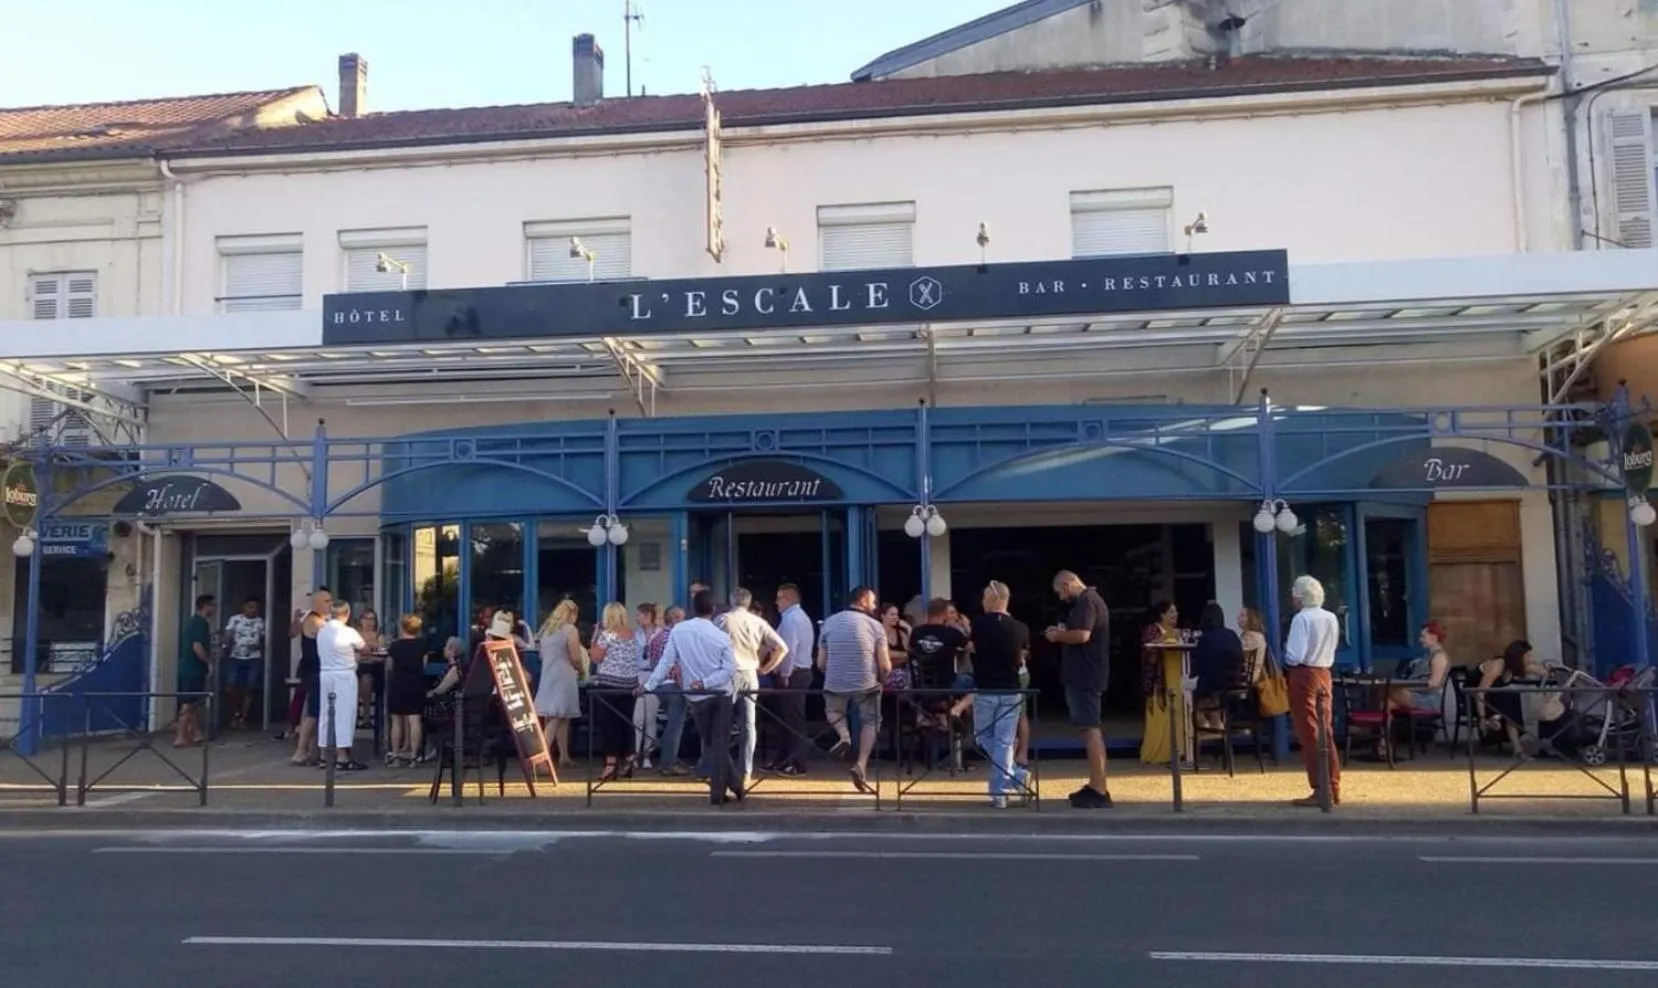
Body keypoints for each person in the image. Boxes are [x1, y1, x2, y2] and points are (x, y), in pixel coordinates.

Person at [642, 589, 743, 805]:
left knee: (713, 742)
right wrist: (707, 681)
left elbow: (666, 662)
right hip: (721, 692)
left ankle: (728, 787)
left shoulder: (679, 631)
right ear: (713, 609)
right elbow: (729, 669)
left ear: (692, 609)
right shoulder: (721, 636)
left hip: (696, 696)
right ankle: (729, 786)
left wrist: (649, 685)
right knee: (719, 743)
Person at [1046, 571, 1113, 808]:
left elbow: (1083, 635)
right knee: (1088, 729)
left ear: (1068, 584)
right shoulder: (1090, 602)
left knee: (1090, 728)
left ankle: (1099, 788)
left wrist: (1057, 636)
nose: (1062, 598)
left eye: (1061, 592)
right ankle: (1096, 783)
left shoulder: (1087, 601)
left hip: (1085, 675)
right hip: (1085, 674)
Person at [817, 586, 891, 795]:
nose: (875, 606)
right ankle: (861, 764)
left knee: (834, 711)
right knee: (871, 720)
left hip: (835, 681)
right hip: (866, 682)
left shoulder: (829, 622)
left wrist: (831, 673)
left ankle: (844, 736)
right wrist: (881, 681)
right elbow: (885, 665)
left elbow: (821, 662)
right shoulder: (875, 626)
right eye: (873, 602)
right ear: (864, 600)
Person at [714, 588, 788, 783]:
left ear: (731, 601)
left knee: (722, 724)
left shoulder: (722, 620)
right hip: (750, 673)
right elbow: (782, 647)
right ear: (749, 602)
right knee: (749, 724)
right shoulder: (758, 621)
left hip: (727, 673)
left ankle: (722, 770)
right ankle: (745, 770)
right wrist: (766, 669)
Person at [970, 581, 1031, 808]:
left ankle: (1000, 791)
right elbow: (1021, 656)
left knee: (982, 737)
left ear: (993, 599)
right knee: (1004, 742)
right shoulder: (1021, 628)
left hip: (985, 687)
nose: (982, 602)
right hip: (1011, 688)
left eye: (985, 598)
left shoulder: (977, 624)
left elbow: (972, 648)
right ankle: (1015, 778)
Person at [1284, 574, 1342, 807]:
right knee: (1324, 730)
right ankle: (1333, 783)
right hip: (1324, 673)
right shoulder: (1331, 617)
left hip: (1304, 673)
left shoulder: (1302, 619)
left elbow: (1294, 655)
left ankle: (1321, 787)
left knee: (1309, 731)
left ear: (1300, 597)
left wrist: (1286, 658)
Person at [589, 602, 643, 781]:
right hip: (629, 685)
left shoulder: (607, 635)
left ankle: (610, 764)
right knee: (626, 722)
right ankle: (628, 758)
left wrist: (594, 638)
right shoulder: (633, 635)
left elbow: (596, 658)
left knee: (609, 725)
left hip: (609, 684)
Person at [765, 584, 816, 776]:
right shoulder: (795, 618)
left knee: (793, 720)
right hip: (799, 672)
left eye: (779, 598)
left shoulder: (791, 619)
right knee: (786, 719)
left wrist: (785, 673)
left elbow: (789, 649)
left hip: (795, 674)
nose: (776, 602)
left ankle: (798, 763)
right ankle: (782, 759)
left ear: (788, 599)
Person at [316, 600, 368, 771]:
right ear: (347, 614)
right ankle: (342, 756)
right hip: (344, 674)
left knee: (325, 713)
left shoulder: (322, 631)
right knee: (344, 713)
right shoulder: (348, 632)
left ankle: (324, 755)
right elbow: (364, 648)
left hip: (325, 673)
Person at [1474, 638, 1549, 757]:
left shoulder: (1516, 666)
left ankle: (1498, 722)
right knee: (1509, 697)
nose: (1530, 659)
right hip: (1475, 696)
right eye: (1527, 656)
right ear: (1518, 656)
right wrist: (1481, 717)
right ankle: (1493, 723)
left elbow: (1543, 671)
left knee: (1511, 696)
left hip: (1498, 697)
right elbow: (1479, 692)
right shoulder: (1498, 665)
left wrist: (1551, 672)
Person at [534, 599, 585, 769]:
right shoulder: (570, 630)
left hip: (548, 674)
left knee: (559, 716)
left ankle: (564, 755)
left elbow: (541, 656)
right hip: (565, 675)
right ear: (573, 614)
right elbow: (576, 656)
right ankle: (541, 757)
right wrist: (582, 671)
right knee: (557, 716)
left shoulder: (547, 631)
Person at [1138, 601, 1186, 765]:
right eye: (1171, 612)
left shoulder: (1178, 632)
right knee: (1161, 716)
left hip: (1175, 676)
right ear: (1162, 615)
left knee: (1177, 714)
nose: (1175, 615)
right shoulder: (1153, 629)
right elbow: (1148, 649)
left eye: (1176, 612)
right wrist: (1167, 637)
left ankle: (1177, 750)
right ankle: (1158, 753)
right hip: (1159, 681)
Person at [289, 588, 331, 766]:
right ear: (316, 604)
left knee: (318, 711)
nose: (330, 604)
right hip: (314, 671)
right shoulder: (314, 620)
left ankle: (313, 750)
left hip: (317, 670)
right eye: (326, 601)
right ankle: (301, 750)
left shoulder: (321, 620)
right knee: (315, 711)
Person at [647, 606, 690, 775]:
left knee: (671, 723)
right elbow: (674, 662)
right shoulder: (673, 636)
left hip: (659, 685)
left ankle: (666, 757)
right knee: (675, 724)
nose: (684, 621)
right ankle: (669, 763)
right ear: (674, 619)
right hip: (673, 684)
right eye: (681, 618)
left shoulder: (656, 637)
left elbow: (652, 663)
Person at [1190, 603, 1244, 731]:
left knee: (1185, 691)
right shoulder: (1232, 635)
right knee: (1211, 695)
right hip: (1232, 682)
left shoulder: (1204, 639)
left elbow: (1198, 667)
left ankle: (1203, 723)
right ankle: (1217, 723)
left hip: (1211, 684)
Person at [385, 613, 428, 766]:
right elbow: (424, 665)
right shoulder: (422, 645)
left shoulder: (395, 646)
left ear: (401, 627)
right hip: (416, 683)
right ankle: (414, 757)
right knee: (415, 720)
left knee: (396, 721)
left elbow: (389, 666)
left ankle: (395, 756)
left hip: (398, 684)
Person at [175, 594, 216, 748]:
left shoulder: (192, 622)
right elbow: (197, 646)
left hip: (187, 668)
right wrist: (209, 662)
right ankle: (181, 737)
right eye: (213, 605)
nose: (214, 609)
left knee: (192, 702)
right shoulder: (200, 623)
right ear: (205, 606)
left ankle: (197, 734)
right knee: (188, 703)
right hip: (193, 669)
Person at [222, 596, 264, 731]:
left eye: (255, 608)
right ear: (244, 607)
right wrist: (225, 646)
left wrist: (259, 646)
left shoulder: (260, 622)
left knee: (250, 688)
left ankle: (243, 718)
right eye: (250, 607)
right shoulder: (235, 619)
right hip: (235, 657)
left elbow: (265, 640)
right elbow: (227, 635)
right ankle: (234, 714)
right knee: (231, 686)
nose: (253, 610)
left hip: (254, 658)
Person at [1391, 619, 1452, 712]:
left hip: (1429, 699)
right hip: (1418, 695)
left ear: (1434, 637)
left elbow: (1435, 684)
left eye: (1423, 637)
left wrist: (1410, 686)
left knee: (1390, 691)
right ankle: (1387, 725)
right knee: (1386, 703)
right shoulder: (1427, 656)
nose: (1420, 640)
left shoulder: (1439, 657)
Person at [631, 602, 663, 769]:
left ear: (648, 616)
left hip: (654, 675)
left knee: (650, 718)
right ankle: (636, 754)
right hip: (639, 675)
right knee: (638, 718)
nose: (636, 617)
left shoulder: (661, 634)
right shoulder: (636, 634)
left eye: (639, 614)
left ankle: (647, 756)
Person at [354, 608, 386, 730]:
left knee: (366, 677)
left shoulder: (379, 635)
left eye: (372, 619)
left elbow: (381, 656)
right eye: (366, 618)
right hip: (356, 667)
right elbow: (353, 655)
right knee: (354, 677)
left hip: (374, 668)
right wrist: (370, 653)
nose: (369, 622)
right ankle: (354, 713)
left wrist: (366, 656)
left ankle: (366, 715)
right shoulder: (355, 634)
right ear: (361, 620)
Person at [1238, 608, 1268, 684]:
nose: (1238, 617)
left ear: (1250, 619)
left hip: (1250, 677)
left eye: (1242, 615)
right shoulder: (1259, 636)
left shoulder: (1251, 637)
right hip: (1254, 675)